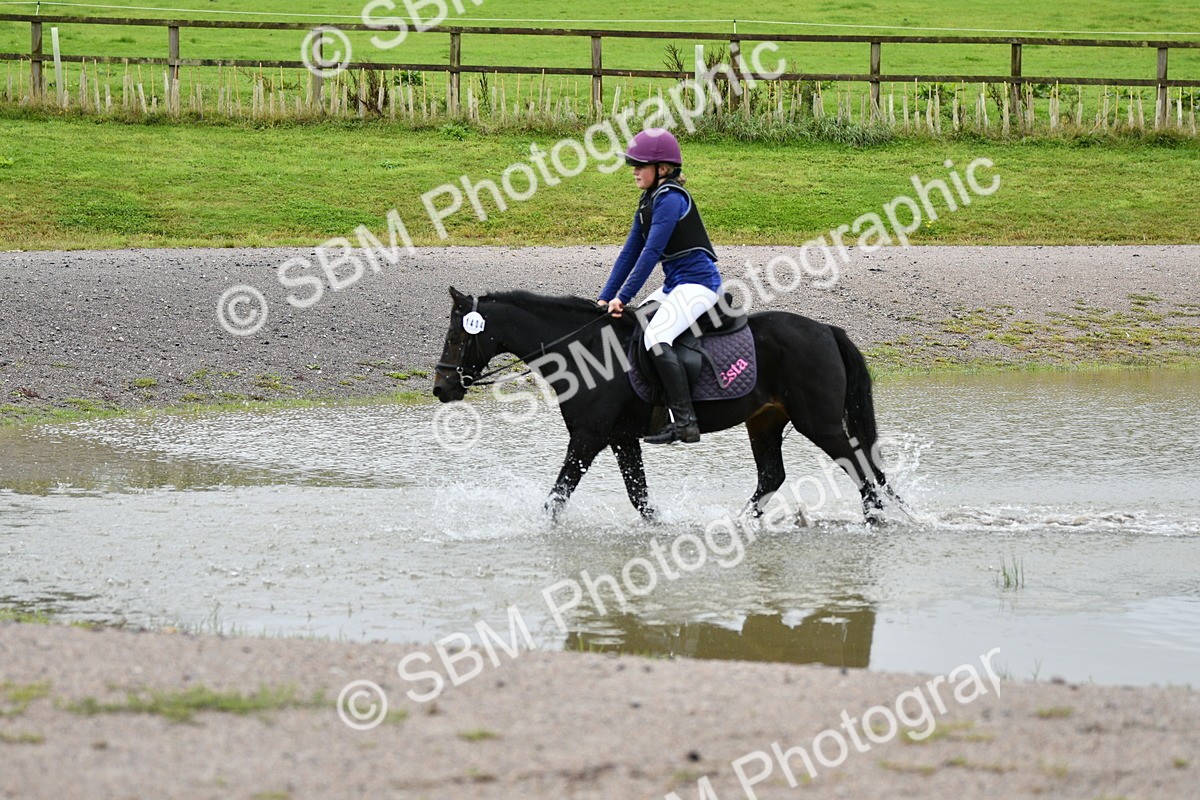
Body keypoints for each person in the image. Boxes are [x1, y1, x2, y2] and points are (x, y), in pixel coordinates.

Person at [597, 128, 722, 445]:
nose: (635, 171)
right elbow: (629, 253)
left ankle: (685, 422)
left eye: (640, 165)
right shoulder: (650, 200)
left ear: (662, 169)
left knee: (656, 335)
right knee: (639, 326)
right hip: (675, 285)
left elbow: (651, 253)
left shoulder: (670, 200)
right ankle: (654, 413)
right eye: (634, 165)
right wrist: (605, 297)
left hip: (699, 285)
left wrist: (623, 297)